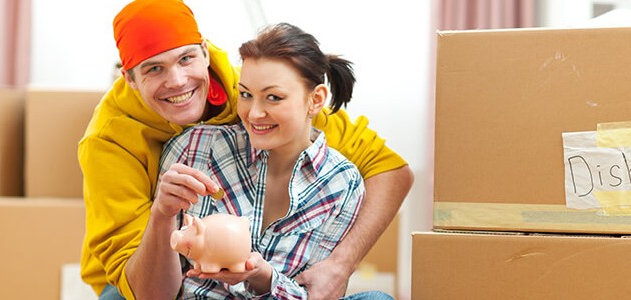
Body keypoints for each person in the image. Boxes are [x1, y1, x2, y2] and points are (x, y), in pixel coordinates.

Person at [78, 0, 413, 299]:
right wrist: (162, 215)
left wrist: (339, 265)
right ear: (129, 79)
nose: (178, 81)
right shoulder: (108, 142)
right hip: (139, 277)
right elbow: (147, 290)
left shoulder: (260, 86)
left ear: (205, 52)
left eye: (186, 59)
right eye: (154, 68)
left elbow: (392, 171)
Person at [154, 22, 391, 299]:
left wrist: (261, 276)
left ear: (315, 100)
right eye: (245, 95)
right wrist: (161, 213)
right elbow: (156, 291)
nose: (254, 114)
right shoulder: (195, 147)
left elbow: (316, 292)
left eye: (273, 98)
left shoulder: (342, 183)